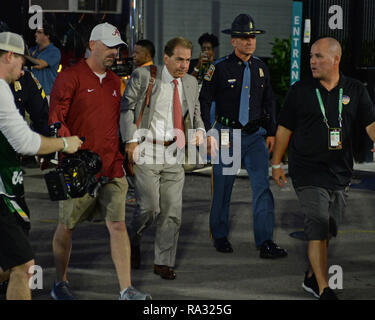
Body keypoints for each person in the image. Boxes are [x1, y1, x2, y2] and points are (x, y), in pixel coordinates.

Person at [48, 23, 151, 300]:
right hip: (78, 170)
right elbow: (56, 118)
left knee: (117, 225)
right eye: (108, 47)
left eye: (117, 49)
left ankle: (126, 289)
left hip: (111, 167)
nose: (114, 54)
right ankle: (60, 283)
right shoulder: (70, 78)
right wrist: (67, 148)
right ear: (92, 44)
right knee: (66, 226)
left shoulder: (116, 83)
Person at [271, 37, 375, 300]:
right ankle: (323, 286)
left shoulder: (355, 89)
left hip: (340, 171)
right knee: (317, 220)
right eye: (311, 57)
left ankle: (310, 276)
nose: (312, 62)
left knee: (329, 227)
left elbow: (370, 123)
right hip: (307, 168)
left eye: (319, 57)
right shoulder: (300, 90)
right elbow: (285, 128)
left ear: (335, 60)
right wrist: (276, 163)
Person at [121, 36, 212, 279]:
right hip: (147, 149)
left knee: (172, 211)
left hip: (174, 152)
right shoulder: (144, 77)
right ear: (166, 58)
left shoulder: (191, 82)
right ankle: (132, 241)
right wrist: (130, 140)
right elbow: (126, 109)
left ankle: (163, 261)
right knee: (149, 208)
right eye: (179, 60)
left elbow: (195, 113)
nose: (184, 65)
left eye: (188, 60)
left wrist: (201, 131)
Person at [0, 31, 82, 300]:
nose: (23, 69)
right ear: (9, 55)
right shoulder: (1, 88)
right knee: (24, 266)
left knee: (12, 264)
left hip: (8, 177)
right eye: (21, 61)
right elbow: (25, 142)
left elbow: (40, 116)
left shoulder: (20, 84)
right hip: (3, 188)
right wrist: (64, 144)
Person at [199, 14, 287, 259]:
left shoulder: (260, 67)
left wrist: (270, 131)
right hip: (226, 136)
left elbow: (269, 101)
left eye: (252, 37)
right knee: (223, 189)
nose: (250, 42)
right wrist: (208, 132)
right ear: (233, 41)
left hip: (255, 137)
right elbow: (204, 101)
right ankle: (219, 235)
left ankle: (266, 241)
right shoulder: (218, 68)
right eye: (244, 38)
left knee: (262, 189)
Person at [28, 23, 61, 102]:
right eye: (36, 32)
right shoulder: (32, 50)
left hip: (47, 94)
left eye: (39, 32)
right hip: (32, 93)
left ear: (47, 36)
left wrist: (24, 55)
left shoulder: (54, 51)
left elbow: (40, 64)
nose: (35, 34)